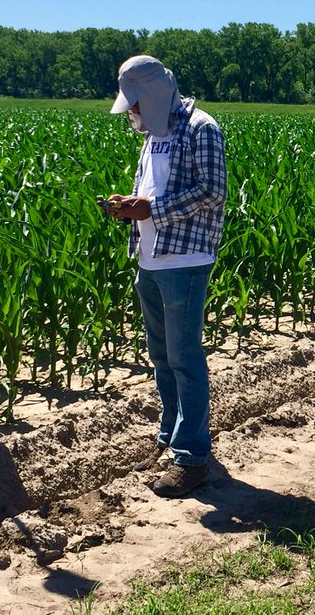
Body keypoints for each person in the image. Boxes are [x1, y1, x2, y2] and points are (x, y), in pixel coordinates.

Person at [103, 55, 226, 497]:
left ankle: (192, 458)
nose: (132, 112)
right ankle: (172, 437)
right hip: (151, 259)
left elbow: (213, 192)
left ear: (153, 94)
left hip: (185, 261)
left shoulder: (201, 128)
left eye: (135, 103)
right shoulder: (154, 134)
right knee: (161, 358)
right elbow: (155, 189)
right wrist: (130, 203)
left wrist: (152, 209)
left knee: (184, 359)